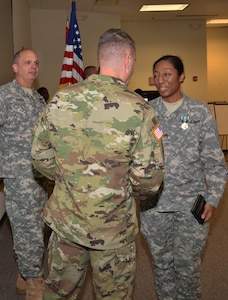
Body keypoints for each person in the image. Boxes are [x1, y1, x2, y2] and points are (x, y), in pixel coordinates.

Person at [31, 28, 164, 299]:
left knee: (58, 293)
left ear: (102, 58)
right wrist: (121, 189)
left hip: (67, 223)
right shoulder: (141, 110)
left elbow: (38, 155)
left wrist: (69, 178)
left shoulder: (60, 99)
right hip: (114, 230)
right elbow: (150, 180)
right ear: (128, 60)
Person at [140, 55, 227, 300]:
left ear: (181, 76)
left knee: (187, 267)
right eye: (156, 75)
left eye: (166, 74)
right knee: (162, 265)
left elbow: (215, 163)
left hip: (191, 205)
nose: (160, 80)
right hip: (154, 206)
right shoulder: (147, 113)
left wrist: (213, 199)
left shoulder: (199, 112)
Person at [0, 49, 48, 300]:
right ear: (15, 67)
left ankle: (23, 274)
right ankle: (33, 282)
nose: (33, 66)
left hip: (39, 176)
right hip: (18, 175)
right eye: (27, 62)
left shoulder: (39, 101)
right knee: (25, 229)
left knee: (37, 228)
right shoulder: (4, 95)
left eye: (36, 63)